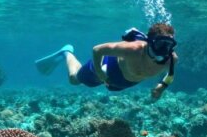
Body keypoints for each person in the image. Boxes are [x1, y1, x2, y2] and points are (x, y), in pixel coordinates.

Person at [35, 23, 177, 100]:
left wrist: (161, 87)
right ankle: (66, 52)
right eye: (160, 44)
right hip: (108, 69)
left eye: (169, 44)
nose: (164, 49)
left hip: (122, 83)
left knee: (112, 89)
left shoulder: (171, 59)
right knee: (74, 80)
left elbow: (169, 75)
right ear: (150, 42)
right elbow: (97, 50)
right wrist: (100, 73)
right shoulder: (133, 49)